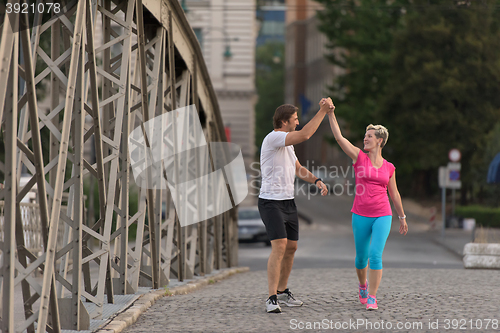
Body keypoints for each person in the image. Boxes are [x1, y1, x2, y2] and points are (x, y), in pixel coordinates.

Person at [326, 103, 408, 310]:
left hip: (383, 214)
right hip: (360, 214)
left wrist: (402, 217)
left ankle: (372, 296)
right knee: (361, 257)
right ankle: (362, 286)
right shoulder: (358, 157)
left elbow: (394, 194)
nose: (365, 138)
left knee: (375, 254)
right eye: (365, 135)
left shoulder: (389, 167)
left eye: (369, 136)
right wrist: (331, 113)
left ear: (380, 141)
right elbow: (339, 138)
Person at [259, 99, 332, 313]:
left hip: (288, 202)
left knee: (292, 247)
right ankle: (271, 298)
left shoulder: (287, 146)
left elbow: (298, 169)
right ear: (283, 122)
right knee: (280, 245)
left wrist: (317, 180)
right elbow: (305, 135)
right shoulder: (274, 138)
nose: (298, 123)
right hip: (270, 201)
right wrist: (322, 111)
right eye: (295, 119)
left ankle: (282, 291)